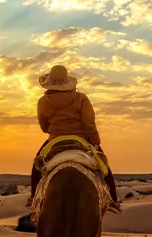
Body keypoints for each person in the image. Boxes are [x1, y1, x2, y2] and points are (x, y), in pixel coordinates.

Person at [29, 65, 121, 213]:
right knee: (105, 166)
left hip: (55, 140)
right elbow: (89, 123)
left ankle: (33, 198)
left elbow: (44, 127)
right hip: (81, 139)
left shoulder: (43, 102)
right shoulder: (81, 98)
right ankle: (112, 200)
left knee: (36, 167)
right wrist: (95, 141)